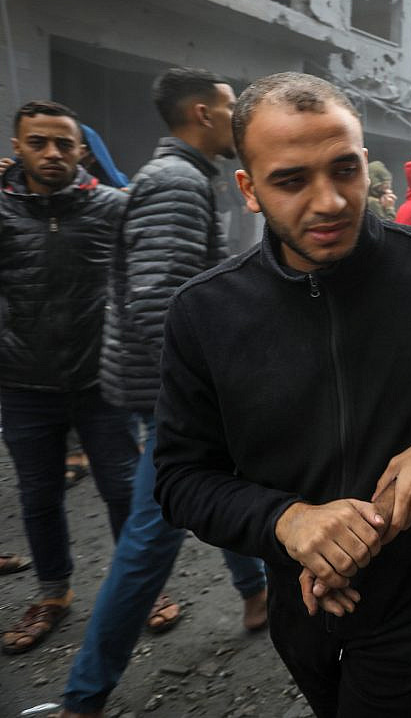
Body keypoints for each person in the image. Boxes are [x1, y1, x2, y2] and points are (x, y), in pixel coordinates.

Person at [152, 72, 411, 716]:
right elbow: (180, 478)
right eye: (291, 180)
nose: (330, 201)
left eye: (344, 170)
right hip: (297, 590)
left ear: (365, 163)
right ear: (248, 189)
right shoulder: (204, 314)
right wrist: (291, 523)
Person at [59, 68, 270, 717]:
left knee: (224, 476)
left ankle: (256, 590)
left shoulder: (179, 176)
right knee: (151, 537)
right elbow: (160, 305)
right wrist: (202, 388)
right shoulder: (179, 184)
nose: (239, 121)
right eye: (233, 109)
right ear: (203, 113)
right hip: (172, 391)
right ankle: (85, 694)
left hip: (164, 384)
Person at [0, 101, 137, 654]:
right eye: (39, 142)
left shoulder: (111, 207)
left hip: (102, 384)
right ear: (19, 148)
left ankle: (140, 589)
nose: (52, 153)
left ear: (82, 150)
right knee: (38, 496)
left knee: (123, 492)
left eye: (64, 143)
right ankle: (53, 594)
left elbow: (141, 280)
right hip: (22, 384)